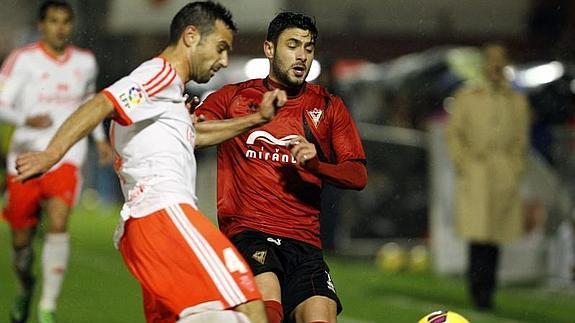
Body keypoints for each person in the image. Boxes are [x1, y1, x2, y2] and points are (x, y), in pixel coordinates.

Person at [15, 2, 287, 322]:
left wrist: (256, 119)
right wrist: (52, 153)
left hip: (143, 227)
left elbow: (194, 134)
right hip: (164, 212)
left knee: (200, 315)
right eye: (220, 48)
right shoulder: (159, 74)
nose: (223, 60)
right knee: (248, 305)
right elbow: (104, 102)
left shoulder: (167, 93)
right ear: (190, 36)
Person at [195, 12, 368, 323]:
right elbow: (193, 134)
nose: (302, 55)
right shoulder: (233, 98)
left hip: (305, 245)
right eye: (292, 45)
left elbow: (357, 175)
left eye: (308, 47)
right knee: (267, 312)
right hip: (250, 234)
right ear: (270, 49)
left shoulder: (329, 107)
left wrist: (317, 165)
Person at [0, 1, 113, 322]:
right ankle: (26, 286)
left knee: (59, 222)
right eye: (53, 21)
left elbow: (91, 103)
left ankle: (47, 306)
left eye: (65, 21)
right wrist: (25, 118)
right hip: (24, 158)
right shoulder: (22, 61)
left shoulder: (85, 62)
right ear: (41, 25)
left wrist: (101, 140)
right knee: (21, 241)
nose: (60, 27)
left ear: (72, 25)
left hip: (66, 156)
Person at [445, 43, 530, 310]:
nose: (495, 66)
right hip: (476, 170)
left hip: (502, 172)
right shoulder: (467, 96)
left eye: (500, 61)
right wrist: (463, 163)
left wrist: (515, 167)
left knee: (495, 235)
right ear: (485, 65)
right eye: (491, 61)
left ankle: (488, 290)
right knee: (477, 235)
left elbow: (520, 140)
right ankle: (478, 289)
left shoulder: (517, 101)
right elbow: (454, 133)